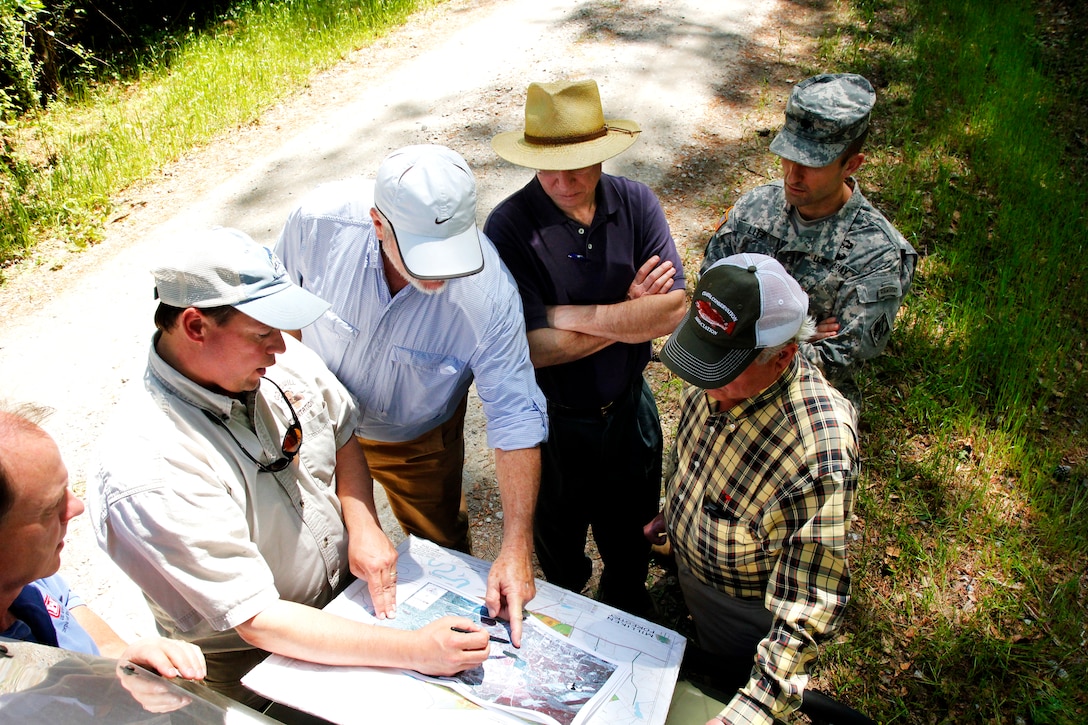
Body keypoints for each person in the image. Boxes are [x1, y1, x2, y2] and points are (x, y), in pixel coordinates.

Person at [90, 229, 493, 708]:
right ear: (196, 327)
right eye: (262, 334)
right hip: (253, 662)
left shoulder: (263, 360)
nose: (281, 349)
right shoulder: (151, 467)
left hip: (351, 607)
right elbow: (257, 618)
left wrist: (361, 518)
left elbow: (341, 433)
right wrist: (417, 650)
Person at [274, 144, 547, 641]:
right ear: (379, 224)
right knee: (322, 545)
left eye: (452, 253)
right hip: (316, 420)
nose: (441, 273)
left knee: (439, 540)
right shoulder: (317, 224)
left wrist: (515, 546)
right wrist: (355, 510)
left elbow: (516, 416)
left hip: (419, 438)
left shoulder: (490, 294)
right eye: (425, 257)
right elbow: (281, 329)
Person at [484, 79, 687, 614]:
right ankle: (569, 614)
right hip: (550, 425)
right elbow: (530, 351)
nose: (562, 180)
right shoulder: (508, 227)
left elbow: (671, 311)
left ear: (602, 157)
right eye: (547, 165)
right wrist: (626, 312)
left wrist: (562, 315)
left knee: (631, 545)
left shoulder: (637, 203)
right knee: (559, 554)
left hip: (627, 411)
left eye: (577, 163)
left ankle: (628, 607)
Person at [647, 253, 860, 724]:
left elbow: (805, 606)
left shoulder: (817, 451)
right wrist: (676, 510)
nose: (702, 382)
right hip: (688, 574)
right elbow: (697, 453)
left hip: (745, 614)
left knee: (720, 679)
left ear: (782, 354)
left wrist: (749, 712)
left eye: (719, 371)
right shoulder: (716, 378)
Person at [702, 73, 917, 406]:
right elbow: (707, 304)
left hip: (805, 408)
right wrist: (799, 337)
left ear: (852, 164)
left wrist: (749, 339)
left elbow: (839, 359)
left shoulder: (875, 253)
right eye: (789, 155)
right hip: (722, 388)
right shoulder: (753, 209)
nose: (792, 174)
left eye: (812, 164)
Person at [0, 404, 206, 696]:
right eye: (49, 509)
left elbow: (82, 626)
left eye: (66, 491)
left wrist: (128, 659)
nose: (76, 507)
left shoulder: (30, 578)